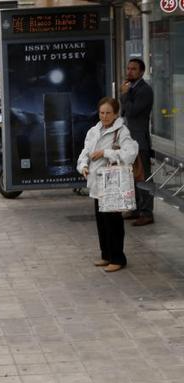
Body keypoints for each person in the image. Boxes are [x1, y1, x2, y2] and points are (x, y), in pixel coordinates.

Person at [76, 97, 139, 273]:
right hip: (97, 183)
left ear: (116, 114)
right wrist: (83, 166)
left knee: (114, 223)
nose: (104, 116)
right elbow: (84, 153)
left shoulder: (121, 132)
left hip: (112, 184)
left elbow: (130, 153)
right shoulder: (94, 131)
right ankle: (106, 255)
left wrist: (106, 152)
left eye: (108, 113)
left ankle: (118, 258)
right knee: (102, 222)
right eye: (102, 113)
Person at [120, 58, 154, 226]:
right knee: (132, 177)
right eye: (128, 68)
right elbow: (123, 111)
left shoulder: (145, 90)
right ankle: (135, 209)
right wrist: (125, 94)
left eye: (133, 69)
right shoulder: (131, 88)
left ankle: (147, 213)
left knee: (143, 177)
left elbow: (132, 112)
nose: (129, 72)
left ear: (141, 72)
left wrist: (125, 95)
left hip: (140, 140)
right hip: (129, 140)